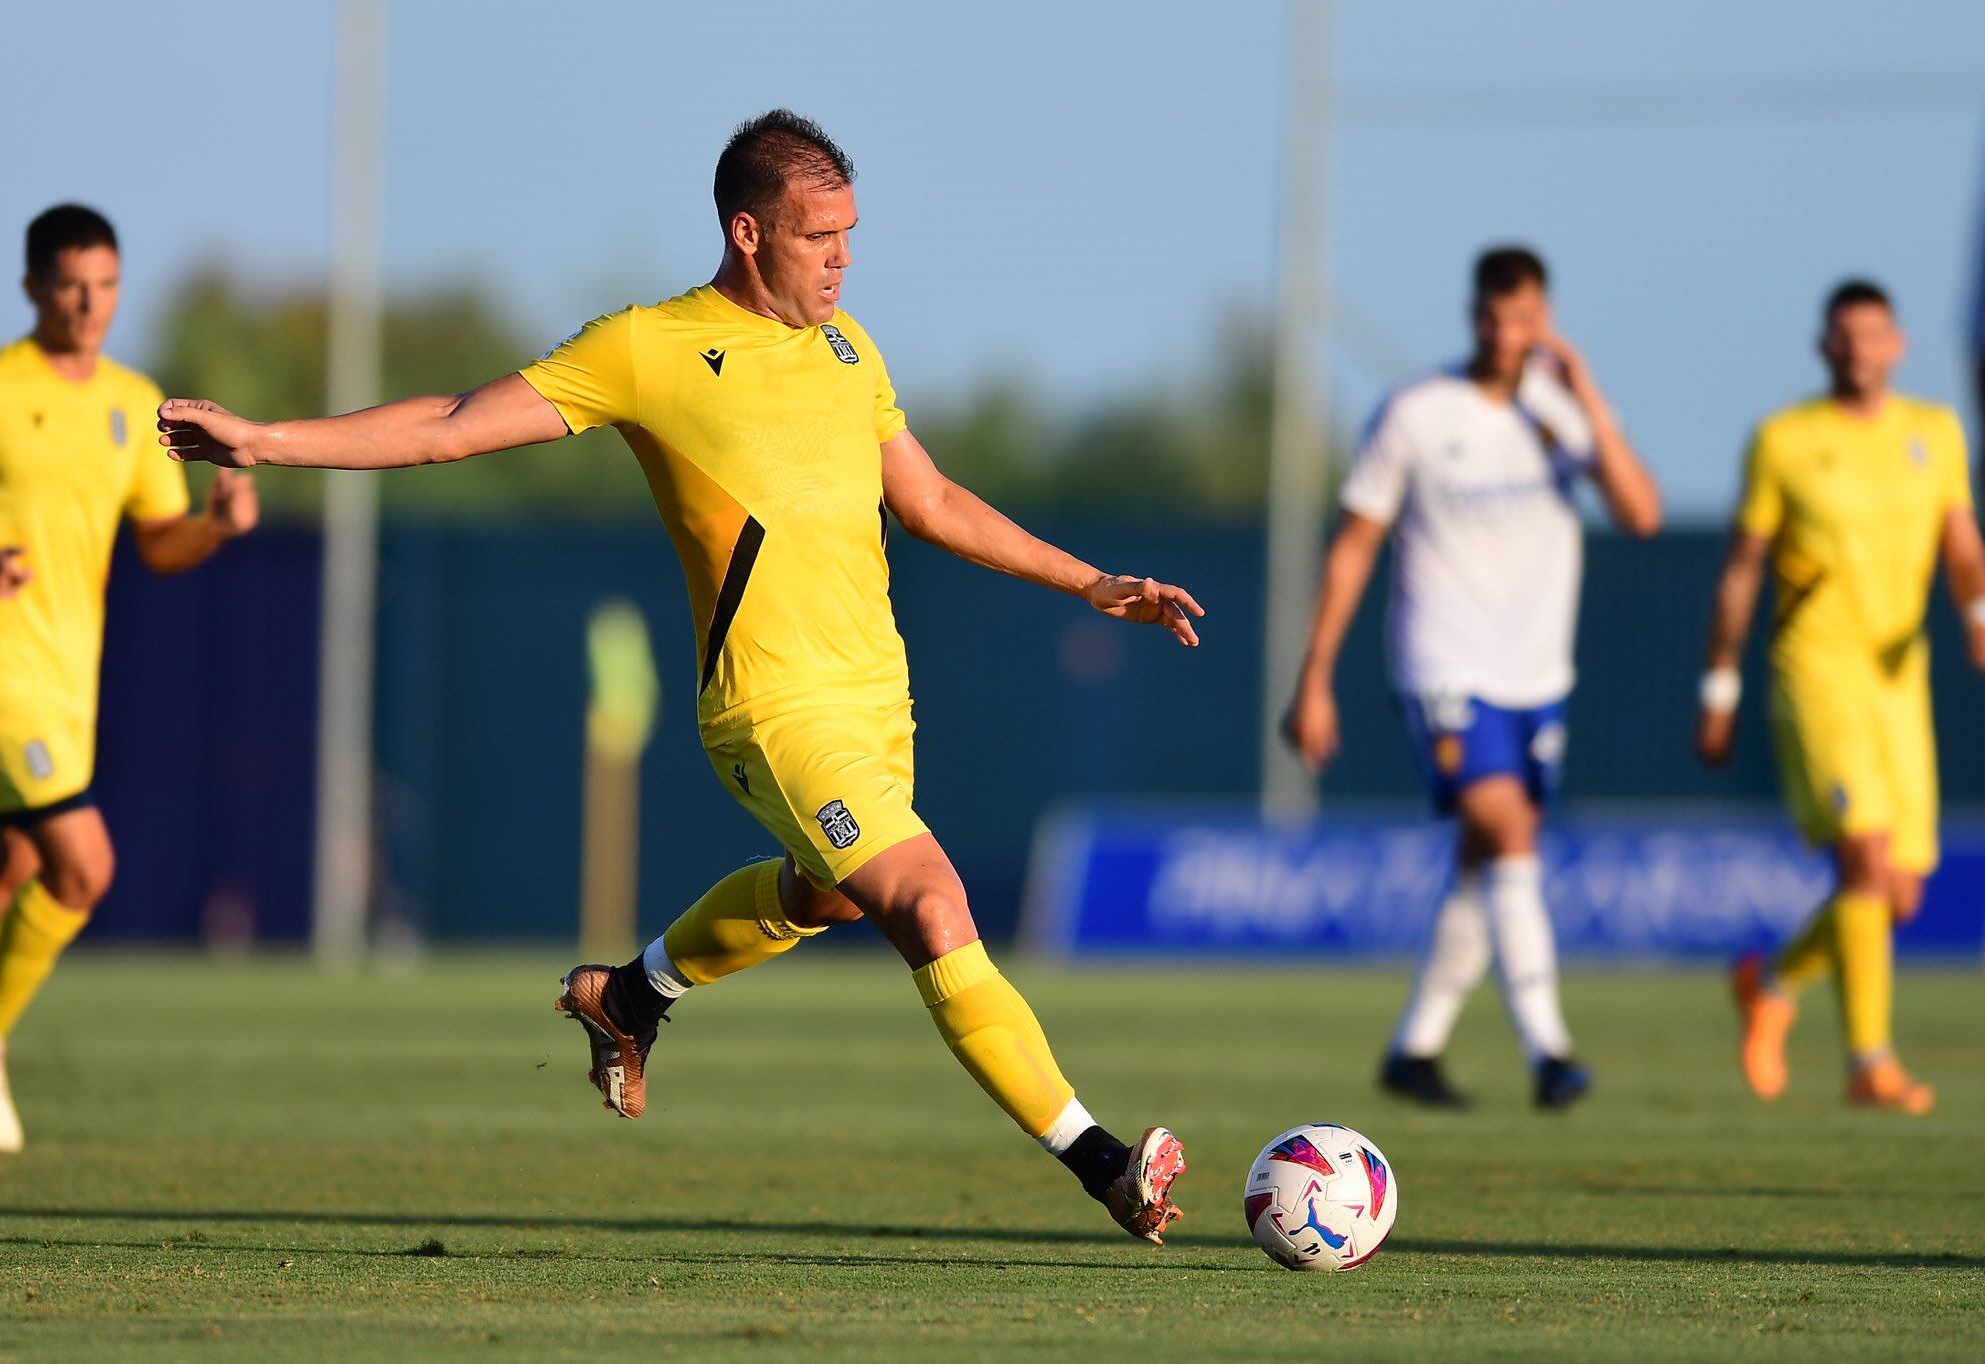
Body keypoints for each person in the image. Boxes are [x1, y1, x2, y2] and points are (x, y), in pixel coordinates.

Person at [156, 111, 1200, 1241]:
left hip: (875, 703)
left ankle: (629, 996)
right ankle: (1104, 1164)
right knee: (931, 905)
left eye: (850, 232)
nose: (842, 257)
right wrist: (265, 440)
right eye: (817, 237)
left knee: (828, 895)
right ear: (747, 233)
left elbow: (931, 499)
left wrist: (1089, 580)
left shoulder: (851, 351)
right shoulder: (649, 348)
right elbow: (452, 425)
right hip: (771, 706)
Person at [1284, 246, 1660, 1110]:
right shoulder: (1417, 412)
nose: (1503, 335)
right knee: (1510, 827)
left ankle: (1414, 1049)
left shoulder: (1563, 418)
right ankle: (1551, 1053)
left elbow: (1642, 516)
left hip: (1538, 676)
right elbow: (1352, 547)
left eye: (1521, 320)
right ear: (1472, 316)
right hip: (1444, 665)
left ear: (1544, 321)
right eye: (1490, 319)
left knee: (1480, 855)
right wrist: (1315, 678)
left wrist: (1589, 400)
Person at [0, 204, 259, 1163]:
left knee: (7, 878)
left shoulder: (130, 401)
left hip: (67, 686)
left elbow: (159, 546)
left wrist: (218, 526)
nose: (90, 303)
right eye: (72, 284)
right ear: (34, 287)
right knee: (85, 866)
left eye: (106, 284)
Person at [1702, 280, 1985, 1115]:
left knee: (1895, 893)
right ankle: (1870, 1063)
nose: (1859, 348)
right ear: (1824, 347)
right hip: (1815, 672)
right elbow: (1743, 565)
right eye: (1844, 336)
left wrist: (1977, 612)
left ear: (1896, 345)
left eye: (1873, 334)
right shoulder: (1786, 440)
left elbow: (1960, 537)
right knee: (1862, 856)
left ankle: (1772, 983)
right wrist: (1719, 684)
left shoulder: (1933, 432)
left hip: (1901, 680)